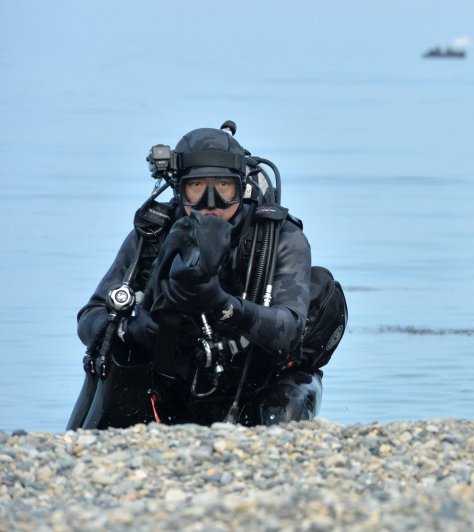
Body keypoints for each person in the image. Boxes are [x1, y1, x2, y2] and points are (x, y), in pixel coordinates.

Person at [67, 124, 325, 429]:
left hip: (255, 382)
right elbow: (90, 317)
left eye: (223, 186)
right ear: (180, 189)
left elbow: (289, 328)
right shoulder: (153, 233)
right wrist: (132, 330)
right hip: (166, 382)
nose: (210, 201)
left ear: (240, 186)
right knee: (107, 393)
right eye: (198, 186)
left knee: (282, 412)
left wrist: (224, 306)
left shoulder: (277, 238)